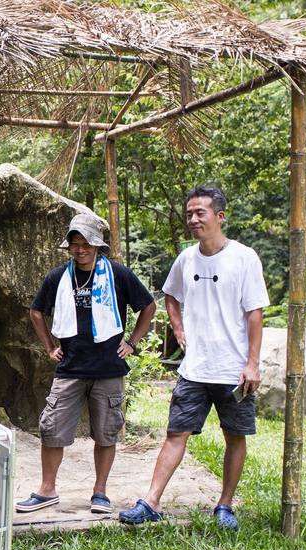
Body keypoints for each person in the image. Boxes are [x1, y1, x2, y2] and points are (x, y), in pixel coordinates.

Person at [119, 186, 269, 531]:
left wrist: (252, 363)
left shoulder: (244, 258)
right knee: (176, 433)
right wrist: (179, 329)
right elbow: (170, 295)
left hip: (233, 369)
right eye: (189, 214)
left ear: (220, 216)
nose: (193, 219)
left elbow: (255, 315)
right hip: (195, 369)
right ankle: (151, 502)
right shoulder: (186, 259)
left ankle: (225, 506)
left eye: (200, 212)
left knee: (235, 436)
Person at [16, 213, 156, 515]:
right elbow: (37, 311)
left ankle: (100, 492)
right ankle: (47, 490)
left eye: (85, 244)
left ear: (97, 246)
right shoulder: (58, 277)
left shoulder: (118, 275)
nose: (79, 250)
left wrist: (131, 343)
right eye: (74, 244)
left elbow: (149, 306)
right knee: (52, 428)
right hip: (70, 367)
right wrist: (50, 346)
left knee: (106, 433)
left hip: (108, 368)